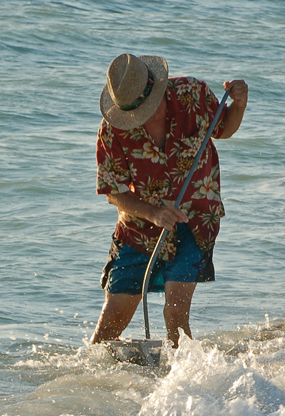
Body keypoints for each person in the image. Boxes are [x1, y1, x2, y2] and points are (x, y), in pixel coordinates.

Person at [89, 53, 248, 348]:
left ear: (157, 90)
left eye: (143, 111)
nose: (136, 120)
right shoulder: (112, 127)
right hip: (139, 227)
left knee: (176, 311)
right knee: (109, 324)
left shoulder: (193, 94)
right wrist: (153, 213)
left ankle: (184, 386)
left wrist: (239, 105)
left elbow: (224, 129)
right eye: (131, 115)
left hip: (195, 219)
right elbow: (113, 191)